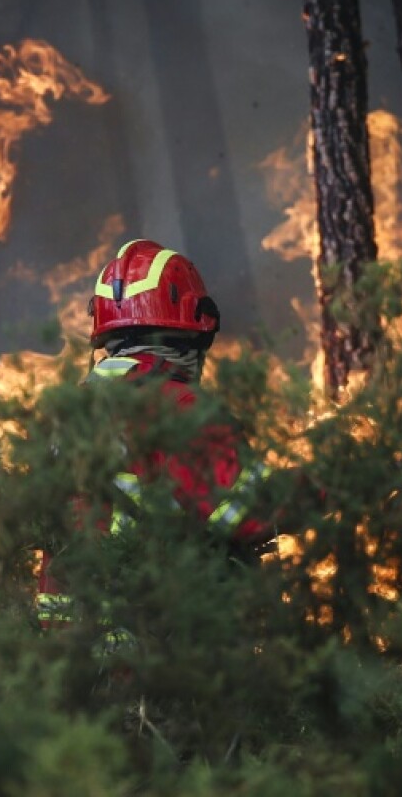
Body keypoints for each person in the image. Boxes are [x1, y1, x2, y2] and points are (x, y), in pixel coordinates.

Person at [36, 239, 272, 631]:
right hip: (161, 662)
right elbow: (253, 512)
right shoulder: (178, 407)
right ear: (198, 331)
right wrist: (348, 482)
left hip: (68, 664)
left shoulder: (67, 412)